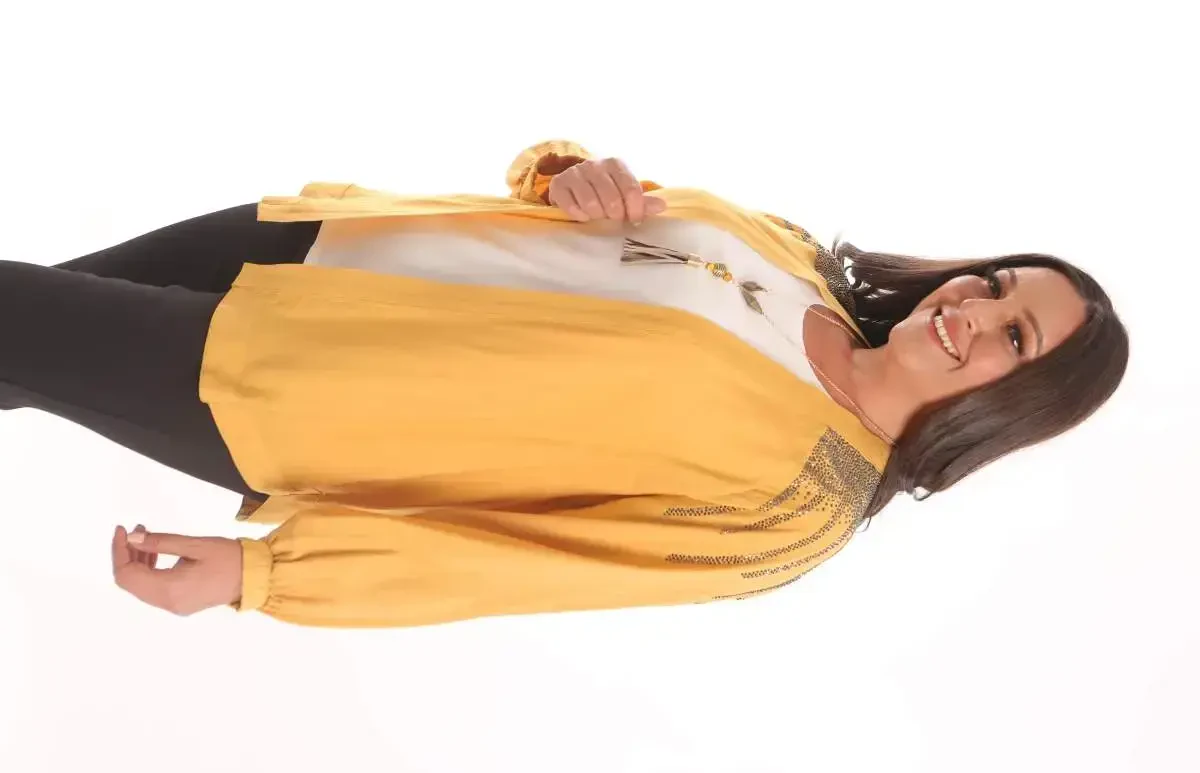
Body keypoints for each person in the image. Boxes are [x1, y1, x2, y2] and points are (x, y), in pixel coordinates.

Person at [0, 140, 1128, 629]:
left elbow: (522, 566)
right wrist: (568, 173)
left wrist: (270, 577)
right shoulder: (793, 259)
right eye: (994, 282)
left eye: (1014, 337)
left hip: (279, 390)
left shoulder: (797, 508)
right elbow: (565, 207)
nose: (973, 309)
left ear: (1014, 406)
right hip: (313, 243)